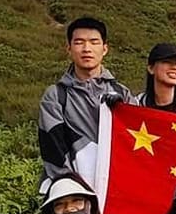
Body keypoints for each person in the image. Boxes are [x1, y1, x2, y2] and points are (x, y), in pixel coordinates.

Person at [38, 17, 133, 190]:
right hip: (73, 195)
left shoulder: (122, 93)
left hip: (116, 189)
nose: (86, 49)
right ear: (69, 49)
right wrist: (73, 190)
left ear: (105, 49)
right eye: (79, 42)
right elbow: (53, 149)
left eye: (94, 42)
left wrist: (123, 113)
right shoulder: (55, 96)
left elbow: (135, 144)